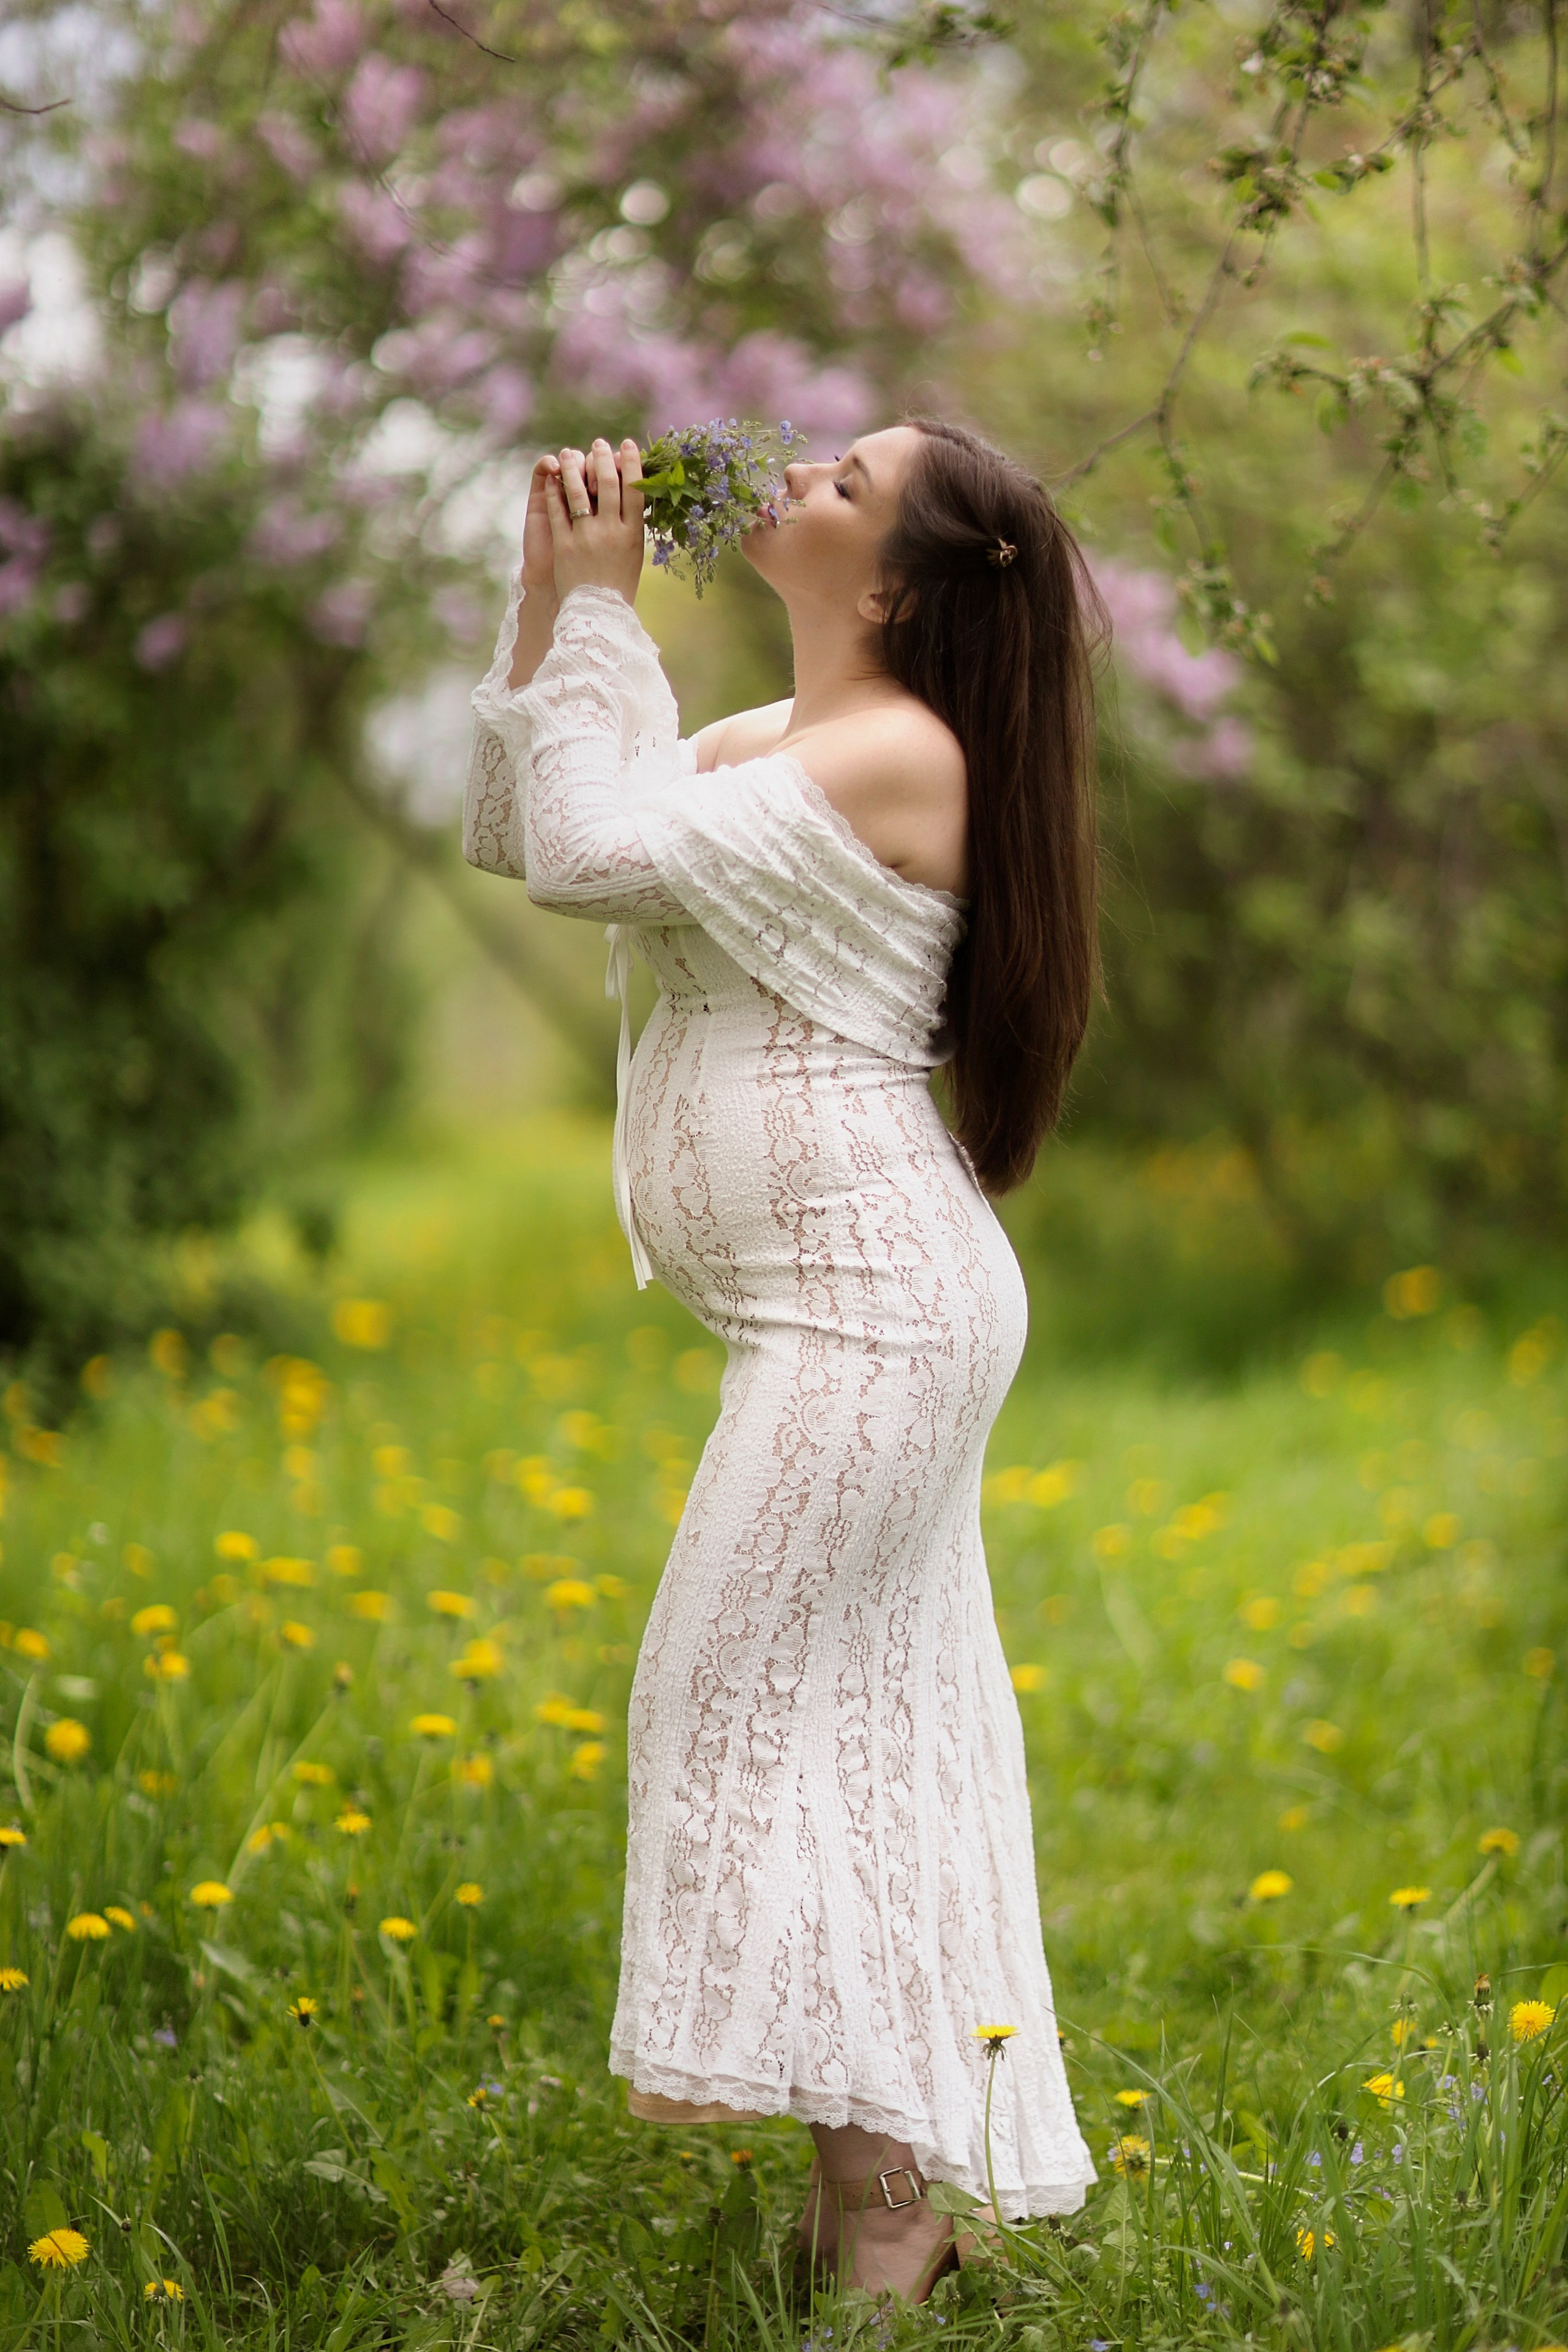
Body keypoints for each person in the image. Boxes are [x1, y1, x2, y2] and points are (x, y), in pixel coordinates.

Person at [464, 419, 1103, 2298]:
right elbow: (523, 825)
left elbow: (589, 849)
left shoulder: (901, 752)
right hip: (836, 1312)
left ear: (896, 587)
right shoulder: (776, 741)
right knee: (867, 1733)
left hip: (873, 1311)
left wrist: (607, 617)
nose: (793, 477)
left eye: (844, 483)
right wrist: (551, 599)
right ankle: (878, 2194)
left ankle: (888, 2204)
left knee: (733, 1706)